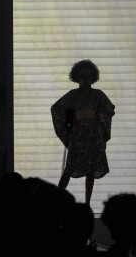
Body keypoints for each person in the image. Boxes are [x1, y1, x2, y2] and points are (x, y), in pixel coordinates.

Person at [51, 59, 115, 206]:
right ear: (77, 78)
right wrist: (70, 121)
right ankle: (56, 200)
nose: (85, 79)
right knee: (69, 169)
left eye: (88, 76)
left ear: (93, 78)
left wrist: (98, 116)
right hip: (78, 137)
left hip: (94, 136)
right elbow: (57, 109)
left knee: (91, 171)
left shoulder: (98, 95)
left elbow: (110, 110)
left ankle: (87, 203)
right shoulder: (72, 96)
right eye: (82, 76)